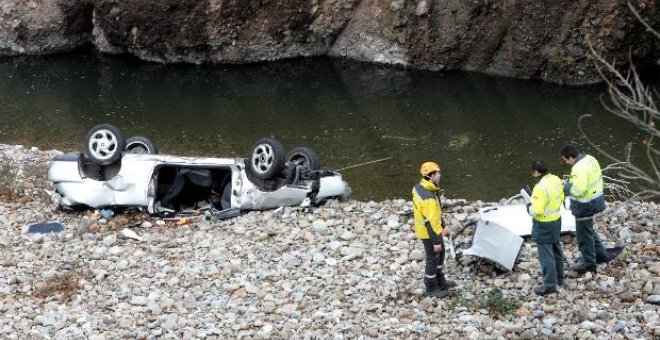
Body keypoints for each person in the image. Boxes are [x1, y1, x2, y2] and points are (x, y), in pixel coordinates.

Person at [561, 144, 609, 274]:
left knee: (584, 236)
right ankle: (602, 255)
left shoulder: (578, 168)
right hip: (596, 200)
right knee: (589, 231)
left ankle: (589, 264)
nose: (565, 162)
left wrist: (566, 187)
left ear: (571, 157)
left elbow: (578, 190)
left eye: (565, 160)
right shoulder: (590, 159)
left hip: (585, 205)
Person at [412, 161, 457, 298]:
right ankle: (431, 287)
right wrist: (436, 242)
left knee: (441, 254)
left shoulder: (423, 187)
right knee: (433, 258)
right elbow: (429, 222)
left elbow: (432, 214)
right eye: (438, 173)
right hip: (429, 233)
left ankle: (440, 281)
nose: (440, 175)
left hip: (431, 230)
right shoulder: (428, 197)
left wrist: (441, 222)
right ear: (431, 175)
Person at [527, 160, 564, 296]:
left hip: (544, 224)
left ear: (537, 172)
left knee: (546, 255)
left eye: (533, 172)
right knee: (556, 249)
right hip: (556, 220)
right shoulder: (556, 179)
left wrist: (528, 206)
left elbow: (536, 210)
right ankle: (560, 278)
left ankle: (549, 285)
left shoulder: (540, 187)